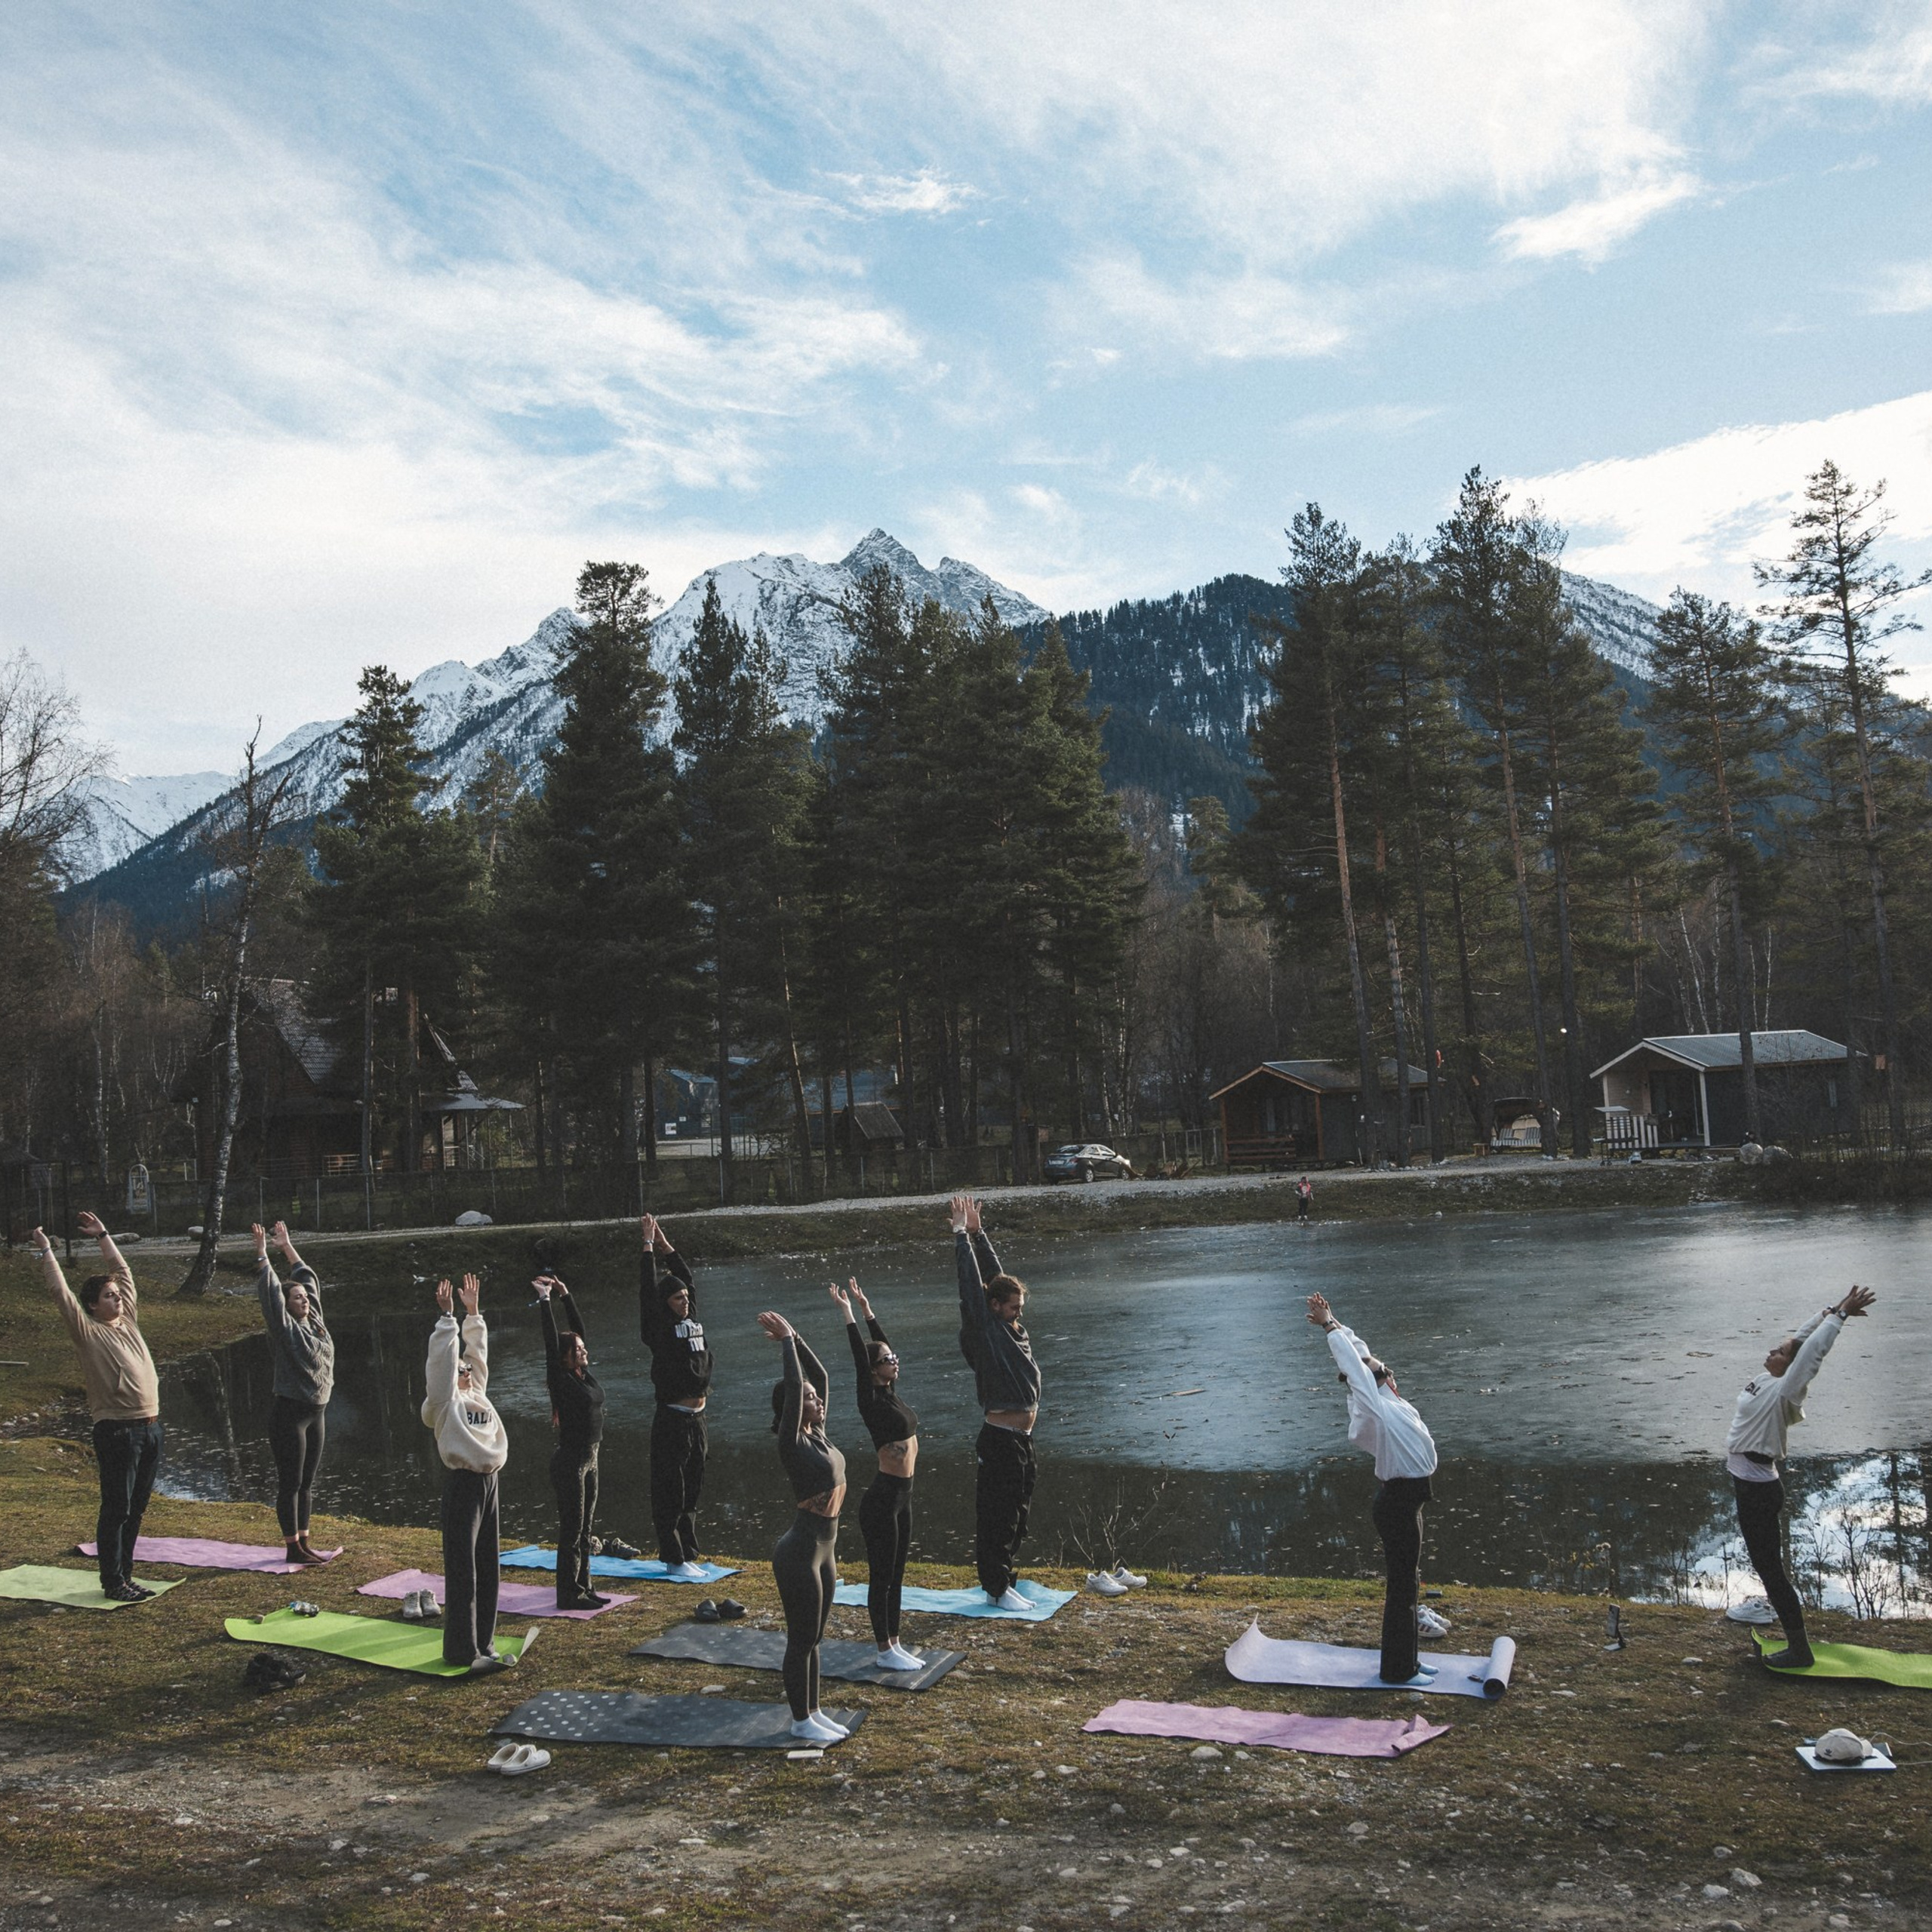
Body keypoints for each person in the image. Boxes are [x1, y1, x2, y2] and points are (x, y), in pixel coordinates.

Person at [1726, 1284, 1876, 1669]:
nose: (1771, 1351)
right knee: (1767, 1567)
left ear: (1787, 1365)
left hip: (1759, 1490)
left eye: (1777, 1352)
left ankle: (1801, 1650)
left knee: (1772, 1572)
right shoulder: (1764, 1381)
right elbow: (1800, 1339)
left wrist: (1839, 1320)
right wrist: (1831, 1308)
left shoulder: (1787, 1390)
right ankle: (1797, 1644)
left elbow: (1810, 1353)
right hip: (1749, 1485)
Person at [1306, 1291, 1439, 1687]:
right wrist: (1330, 1327)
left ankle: (1411, 1658)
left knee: (1409, 1580)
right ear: (1378, 1381)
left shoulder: (1392, 1402)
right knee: (1400, 1587)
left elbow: (1362, 1354)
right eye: (1387, 1371)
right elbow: (1356, 1366)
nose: (1391, 1373)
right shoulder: (1373, 1408)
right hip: (1397, 1503)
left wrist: (1342, 1324)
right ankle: (1399, 1670)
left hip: (1410, 1500)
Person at [32, 1213, 162, 1602]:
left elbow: (123, 1272)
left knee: (136, 1509)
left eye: (117, 1295)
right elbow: (61, 1295)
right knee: (117, 1509)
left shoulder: (129, 1322)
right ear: (92, 1305)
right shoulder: (88, 1331)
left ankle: (126, 1576)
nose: (117, 1297)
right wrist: (46, 1252)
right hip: (118, 1430)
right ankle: (112, 1582)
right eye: (108, 1295)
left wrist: (103, 1235)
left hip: (152, 1428)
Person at [757, 1310, 849, 1743]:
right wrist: (787, 1344)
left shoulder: (820, 1435)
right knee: (802, 1637)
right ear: (794, 1409)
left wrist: (798, 1334)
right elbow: (797, 1385)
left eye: (817, 1399)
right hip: (798, 1553)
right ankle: (799, 1720)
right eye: (811, 1400)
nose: (818, 1400)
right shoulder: (792, 1443)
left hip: (825, 1550)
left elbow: (821, 1376)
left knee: (816, 1638)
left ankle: (813, 1710)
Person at [420, 1272, 513, 1672]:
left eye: (468, 1370)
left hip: (490, 1483)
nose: (468, 1371)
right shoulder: (445, 1402)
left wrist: (474, 1314)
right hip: (463, 1484)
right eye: (462, 1370)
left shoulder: (477, 1394)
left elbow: (478, 1357)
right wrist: (448, 1319)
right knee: (463, 1570)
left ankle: (485, 1642)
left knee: (488, 1566)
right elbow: (443, 1362)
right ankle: (462, 1651)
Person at [829, 1275, 923, 1671]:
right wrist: (849, 1316)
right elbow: (859, 1357)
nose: (894, 1361)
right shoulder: (869, 1399)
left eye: (894, 1358)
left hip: (904, 1497)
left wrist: (869, 1312)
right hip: (883, 1498)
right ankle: (883, 1649)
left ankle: (895, 1643)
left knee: (898, 1574)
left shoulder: (892, 1395)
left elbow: (881, 1348)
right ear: (872, 1370)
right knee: (881, 1575)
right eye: (887, 1360)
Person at [952, 1193, 1040, 1611]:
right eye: (1012, 1309)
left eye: (1019, 1308)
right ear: (993, 1309)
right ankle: (996, 1588)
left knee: (1019, 1516)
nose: (1017, 1314)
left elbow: (994, 1278)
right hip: (1001, 1439)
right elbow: (974, 1286)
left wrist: (978, 1233)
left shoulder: (1010, 1326)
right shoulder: (986, 1331)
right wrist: (959, 1239)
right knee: (998, 1519)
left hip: (1021, 1441)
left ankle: (1006, 1579)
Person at [253, 1220, 336, 1564]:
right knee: (290, 1481)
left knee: (308, 1482)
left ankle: (304, 1542)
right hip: (290, 1414)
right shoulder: (285, 1329)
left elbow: (308, 1278)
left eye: (304, 1298)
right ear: (287, 1306)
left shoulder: (314, 1319)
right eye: (296, 1298)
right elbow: (272, 1293)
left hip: (316, 1413)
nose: (303, 1300)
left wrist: (286, 1246)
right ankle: (291, 1548)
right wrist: (262, 1255)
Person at [639, 1214, 711, 1579]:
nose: (685, 1300)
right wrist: (648, 1247)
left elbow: (688, 1278)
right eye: (677, 1297)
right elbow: (646, 1291)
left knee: (693, 1486)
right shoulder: (658, 1327)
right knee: (671, 1489)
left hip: (697, 1418)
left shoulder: (690, 1315)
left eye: (685, 1296)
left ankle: (688, 1552)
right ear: (665, 1302)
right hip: (672, 1419)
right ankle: (673, 1556)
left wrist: (668, 1247)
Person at [534, 1273, 607, 1610]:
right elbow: (552, 1341)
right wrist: (545, 1301)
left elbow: (579, 1330)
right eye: (577, 1349)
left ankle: (585, 1587)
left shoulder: (584, 1375)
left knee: (586, 1528)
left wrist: (566, 1294)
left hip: (591, 1457)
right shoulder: (561, 1379)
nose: (584, 1350)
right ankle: (568, 1594)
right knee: (572, 1530)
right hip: (571, 1461)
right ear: (566, 1357)